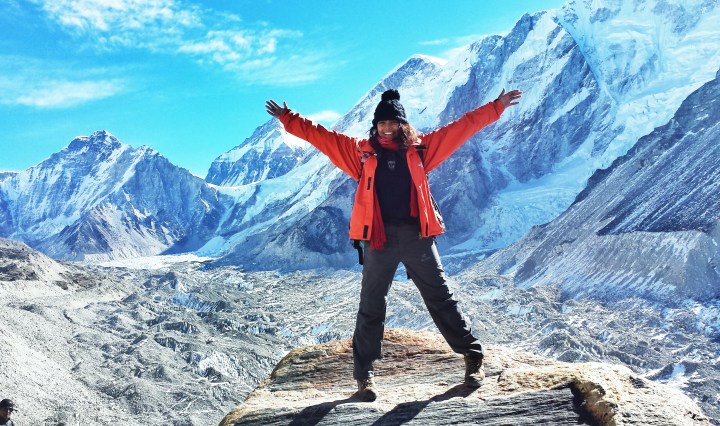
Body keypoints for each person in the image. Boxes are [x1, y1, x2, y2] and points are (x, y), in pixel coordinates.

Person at [266, 87, 521, 402]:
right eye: (382, 123)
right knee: (371, 305)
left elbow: (462, 127)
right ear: (375, 126)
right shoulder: (360, 154)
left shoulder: (421, 149)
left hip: (417, 236)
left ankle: (472, 357)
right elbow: (323, 137)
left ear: (402, 124)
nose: (387, 128)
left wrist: (496, 107)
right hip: (379, 238)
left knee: (441, 297)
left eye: (393, 123)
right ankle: (364, 375)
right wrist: (289, 119)